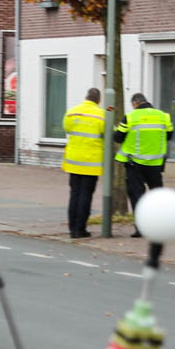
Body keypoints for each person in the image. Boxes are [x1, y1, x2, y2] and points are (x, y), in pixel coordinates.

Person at [113, 92, 172, 237]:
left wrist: (116, 128)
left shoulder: (130, 117)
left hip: (135, 164)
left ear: (135, 103)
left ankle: (141, 227)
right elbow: (169, 135)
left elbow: (118, 138)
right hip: (156, 163)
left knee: (137, 195)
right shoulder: (164, 116)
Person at [61, 87, 103, 238]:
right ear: (99, 100)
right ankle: (80, 229)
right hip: (91, 163)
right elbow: (109, 133)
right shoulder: (101, 115)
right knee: (86, 195)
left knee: (74, 194)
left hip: (73, 161)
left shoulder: (72, 112)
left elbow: (66, 129)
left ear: (86, 97)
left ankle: (72, 228)